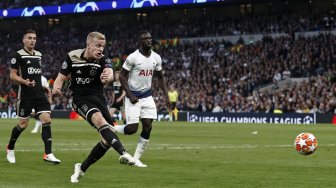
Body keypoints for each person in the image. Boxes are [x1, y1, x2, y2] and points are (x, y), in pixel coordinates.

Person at [52, 31, 135, 183]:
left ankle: (81, 168)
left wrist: (107, 77)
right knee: (98, 120)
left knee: (106, 139)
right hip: (80, 99)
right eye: (97, 46)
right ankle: (124, 153)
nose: (100, 49)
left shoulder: (103, 60)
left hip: (98, 99)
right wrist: (56, 87)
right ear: (88, 45)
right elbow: (60, 78)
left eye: (103, 46)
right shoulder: (72, 57)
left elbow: (109, 73)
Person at [114, 31, 171, 167]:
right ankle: (113, 128)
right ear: (140, 42)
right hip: (133, 96)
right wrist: (129, 94)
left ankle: (136, 158)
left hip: (147, 96)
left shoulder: (156, 58)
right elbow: (122, 76)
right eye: (145, 38)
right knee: (132, 129)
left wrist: (167, 97)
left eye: (150, 38)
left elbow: (160, 77)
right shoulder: (133, 57)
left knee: (148, 126)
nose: (149, 40)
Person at [6, 29, 60, 164]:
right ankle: (10, 148)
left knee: (46, 119)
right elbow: (12, 75)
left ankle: (48, 153)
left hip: (39, 94)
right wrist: (25, 82)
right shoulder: (18, 55)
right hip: (25, 95)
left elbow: (35, 75)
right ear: (24, 40)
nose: (32, 40)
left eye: (34, 38)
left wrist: (42, 87)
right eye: (29, 38)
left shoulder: (39, 55)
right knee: (23, 124)